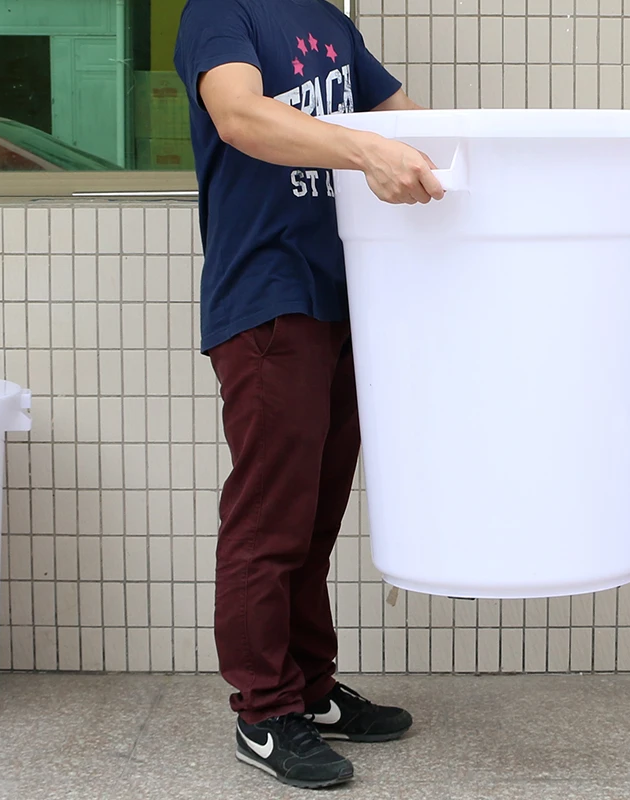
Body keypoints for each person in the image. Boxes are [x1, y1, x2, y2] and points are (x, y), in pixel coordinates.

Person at [174, 0, 444, 790]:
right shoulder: (221, 11)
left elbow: (412, 125)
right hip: (268, 298)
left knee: (314, 517)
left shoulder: (330, 22)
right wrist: (365, 150)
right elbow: (238, 115)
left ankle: (310, 691)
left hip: (344, 298)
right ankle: (263, 713)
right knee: (270, 519)